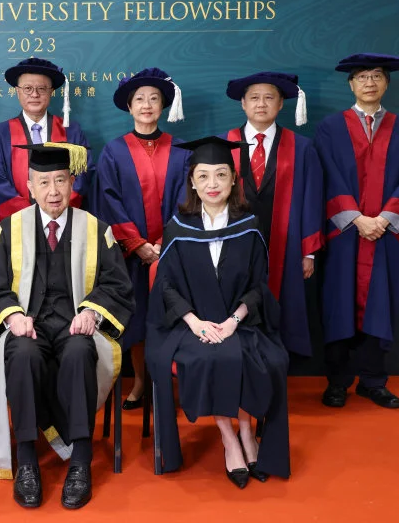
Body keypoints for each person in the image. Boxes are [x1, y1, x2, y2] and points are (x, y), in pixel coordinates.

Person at [0, 143, 134, 510]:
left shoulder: (96, 229)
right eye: (44, 182)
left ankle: (80, 462)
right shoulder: (8, 230)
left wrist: (91, 313)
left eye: (60, 180)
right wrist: (12, 316)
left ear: (72, 183)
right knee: (21, 353)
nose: (53, 191)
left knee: (80, 351)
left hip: (75, 324)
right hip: (30, 326)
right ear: (29, 186)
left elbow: (117, 285)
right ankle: (27, 461)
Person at [146, 136, 290, 489]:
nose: (213, 184)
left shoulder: (250, 226)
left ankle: (247, 430)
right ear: (192, 181)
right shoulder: (179, 228)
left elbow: (258, 286)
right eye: (204, 176)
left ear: (233, 181)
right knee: (215, 358)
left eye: (221, 175)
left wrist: (232, 321)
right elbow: (165, 287)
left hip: (238, 322)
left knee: (262, 358)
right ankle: (230, 437)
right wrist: (195, 323)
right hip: (189, 325)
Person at [315, 53, 399, 409]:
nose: (370, 82)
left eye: (377, 76)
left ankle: (373, 381)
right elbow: (326, 175)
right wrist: (355, 218)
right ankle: (337, 382)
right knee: (338, 304)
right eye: (362, 76)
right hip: (344, 234)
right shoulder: (330, 128)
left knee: (381, 303)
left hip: (386, 235)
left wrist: (384, 219)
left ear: (387, 84)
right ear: (351, 84)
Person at [93, 67, 189, 409]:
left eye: (154, 99)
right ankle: (139, 385)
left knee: (170, 315)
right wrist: (138, 244)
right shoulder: (114, 151)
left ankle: (167, 384)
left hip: (171, 252)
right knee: (135, 318)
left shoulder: (181, 151)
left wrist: (164, 244)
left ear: (163, 106)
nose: (146, 105)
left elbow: (186, 200)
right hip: (129, 254)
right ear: (129, 107)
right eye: (139, 100)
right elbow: (107, 200)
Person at [223, 72, 324, 357]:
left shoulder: (302, 148)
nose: (261, 104)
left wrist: (309, 252)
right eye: (254, 98)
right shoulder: (224, 144)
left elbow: (313, 200)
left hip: (286, 244)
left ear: (281, 105)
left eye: (270, 98)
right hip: (234, 245)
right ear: (243, 103)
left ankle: (276, 373)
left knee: (283, 304)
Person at [0, 57, 93, 240]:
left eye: (42, 88)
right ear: (17, 92)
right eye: (27, 88)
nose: (34, 94)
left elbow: (83, 173)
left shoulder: (71, 131)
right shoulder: (0, 133)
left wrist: (56, 211)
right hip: (16, 224)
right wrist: (29, 215)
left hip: (64, 225)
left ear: (51, 92)